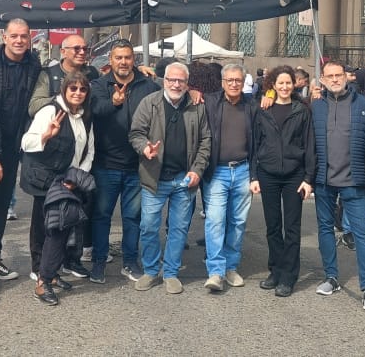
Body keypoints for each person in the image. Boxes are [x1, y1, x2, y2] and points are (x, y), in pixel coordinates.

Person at [129, 61, 211, 295]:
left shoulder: (197, 106)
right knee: (148, 227)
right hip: (154, 178)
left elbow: (206, 141)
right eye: (171, 80)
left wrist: (197, 169)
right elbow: (136, 133)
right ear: (164, 81)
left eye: (181, 81)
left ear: (187, 83)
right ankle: (151, 269)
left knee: (179, 228)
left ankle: (172, 272)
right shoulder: (150, 103)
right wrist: (145, 148)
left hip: (183, 179)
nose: (176, 84)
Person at [0, 18, 42, 282]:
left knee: (2, 203)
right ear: (4, 37)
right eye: (14, 36)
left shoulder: (34, 63)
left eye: (24, 36)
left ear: (30, 37)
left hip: (14, 145)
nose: (19, 41)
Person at [87, 39, 160, 282]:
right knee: (101, 216)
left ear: (134, 60)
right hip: (105, 164)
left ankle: (130, 261)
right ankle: (99, 261)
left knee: (132, 218)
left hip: (137, 165)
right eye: (118, 57)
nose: (123, 62)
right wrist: (114, 103)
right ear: (111, 60)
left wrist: (193, 90)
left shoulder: (147, 86)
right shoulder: (98, 85)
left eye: (127, 57)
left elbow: (171, 91)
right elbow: (93, 111)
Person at [311, 60, 365, 310]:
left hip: (355, 181)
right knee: (325, 230)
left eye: (339, 75)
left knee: (361, 234)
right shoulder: (316, 107)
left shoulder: (364, 105)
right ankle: (331, 277)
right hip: (324, 182)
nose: (335, 79)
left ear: (347, 77)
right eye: (330, 76)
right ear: (323, 80)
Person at [21, 72, 95, 305]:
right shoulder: (50, 111)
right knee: (53, 229)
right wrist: (46, 135)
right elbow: (26, 142)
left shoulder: (86, 116)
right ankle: (43, 281)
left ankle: (49, 276)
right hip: (46, 179)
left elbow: (89, 150)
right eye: (72, 89)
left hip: (69, 180)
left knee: (61, 229)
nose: (77, 93)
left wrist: (78, 176)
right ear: (64, 90)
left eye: (82, 89)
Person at [250, 66, 315, 298]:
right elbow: (254, 144)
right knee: (273, 226)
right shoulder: (263, 109)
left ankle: (289, 275)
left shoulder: (302, 110)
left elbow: (309, 146)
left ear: (294, 85)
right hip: (267, 173)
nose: (285, 87)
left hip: (294, 175)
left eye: (289, 83)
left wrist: (309, 178)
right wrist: (254, 176)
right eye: (281, 83)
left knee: (292, 227)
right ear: (273, 85)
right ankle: (275, 270)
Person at [200, 63, 258, 293]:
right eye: (229, 80)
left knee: (238, 222)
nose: (234, 84)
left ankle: (231, 268)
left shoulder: (252, 106)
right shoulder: (210, 102)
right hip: (217, 171)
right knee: (215, 220)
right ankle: (215, 271)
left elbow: (258, 142)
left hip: (243, 170)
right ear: (222, 82)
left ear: (243, 82)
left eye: (238, 80)